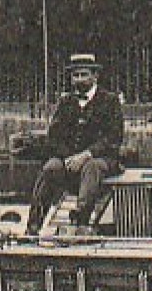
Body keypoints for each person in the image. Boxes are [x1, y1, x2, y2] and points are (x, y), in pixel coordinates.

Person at [24, 54, 125, 234]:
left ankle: (81, 221)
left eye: (83, 75)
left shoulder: (110, 101)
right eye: (75, 75)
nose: (78, 79)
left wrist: (86, 154)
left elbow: (113, 138)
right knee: (50, 168)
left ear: (95, 76)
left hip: (100, 160)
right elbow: (54, 137)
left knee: (92, 167)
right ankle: (33, 224)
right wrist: (67, 157)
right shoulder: (66, 103)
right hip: (69, 160)